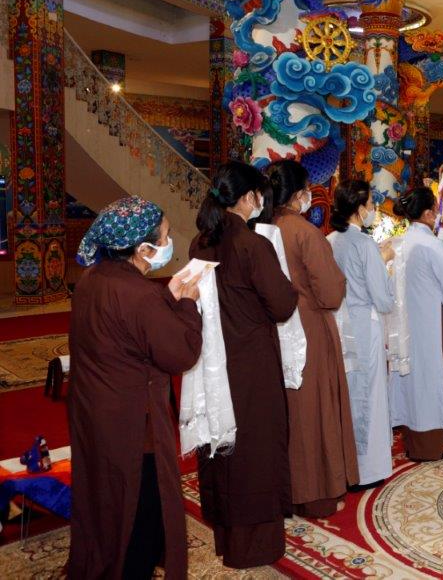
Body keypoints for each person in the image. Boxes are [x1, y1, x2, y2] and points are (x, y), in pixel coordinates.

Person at [68, 196, 202, 579]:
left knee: (103, 497)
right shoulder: (140, 295)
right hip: (132, 424)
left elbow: (131, 330)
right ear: (142, 249)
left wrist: (167, 298)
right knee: (139, 508)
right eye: (164, 237)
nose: (168, 243)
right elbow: (179, 354)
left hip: (95, 411)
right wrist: (187, 305)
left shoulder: (93, 278)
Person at [190, 161, 298, 569]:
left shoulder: (201, 242)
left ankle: (228, 538)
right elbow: (283, 305)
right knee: (256, 449)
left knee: (222, 448)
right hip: (251, 363)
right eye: (259, 196)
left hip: (214, 362)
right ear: (248, 197)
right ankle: (256, 547)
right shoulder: (252, 245)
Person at [265, 160, 360, 517]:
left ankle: (288, 489)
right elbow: (331, 292)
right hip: (309, 326)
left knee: (288, 409)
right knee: (315, 408)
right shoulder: (304, 232)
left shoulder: (264, 228)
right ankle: (317, 492)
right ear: (297, 194)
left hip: (274, 326)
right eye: (307, 189)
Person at [388, 187, 443, 461]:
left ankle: (413, 443)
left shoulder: (400, 241)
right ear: (427, 213)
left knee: (410, 379)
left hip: (405, 324)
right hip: (430, 323)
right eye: (435, 209)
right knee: (431, 379)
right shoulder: (431, 244)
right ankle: (429, 447)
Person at [327, 180, 396, 487]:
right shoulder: (365, 244)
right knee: (368, 393)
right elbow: (382, 298)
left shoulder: (330, 240)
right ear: (358, 208)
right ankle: (366, 469)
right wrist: (386, 263)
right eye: (370, 204)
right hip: (364, 323)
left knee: (346, 392)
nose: (373, 209)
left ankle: (345, 464)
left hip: (339, 322)